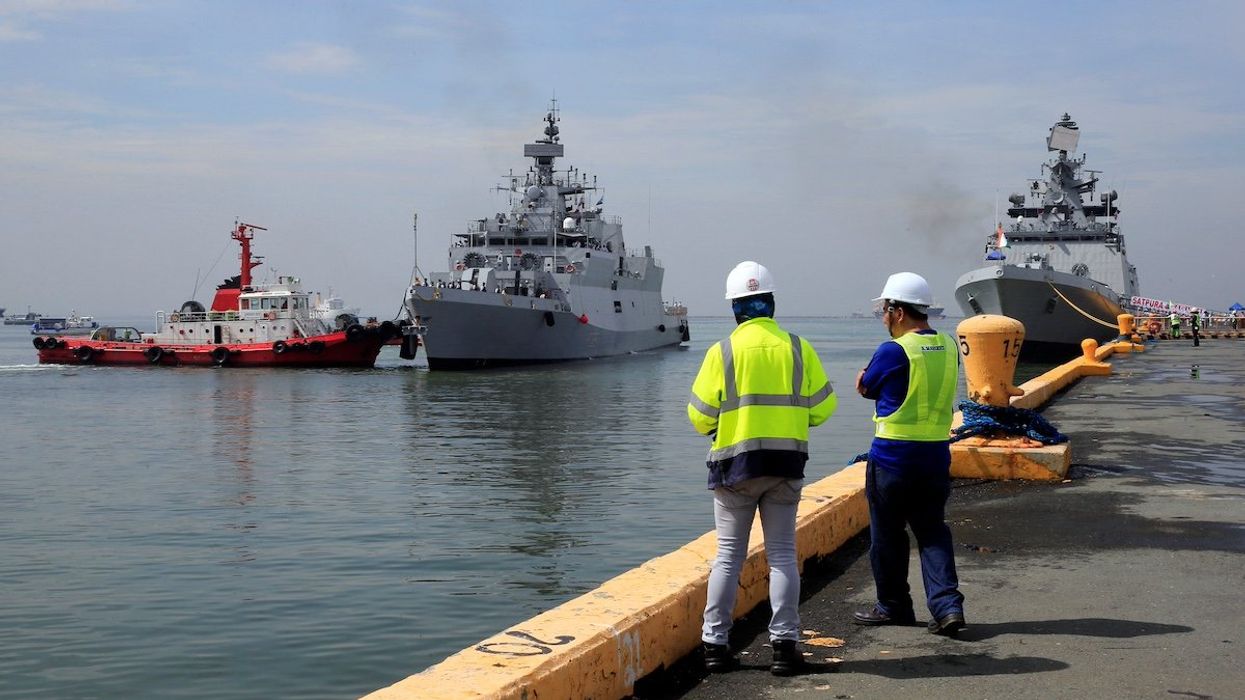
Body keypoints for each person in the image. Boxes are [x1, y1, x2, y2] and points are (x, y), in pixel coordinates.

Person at [687, 261, 837, 676]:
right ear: (771, 303)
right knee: (783, 557)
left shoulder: (722, 352)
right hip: (785, 464)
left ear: (735, 308)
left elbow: (699, 416)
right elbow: (824, 408)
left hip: (734, 468)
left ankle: (715, 646)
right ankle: (784, 648)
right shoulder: (798, 348)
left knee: (728, 558)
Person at [853, 272, 966, 636]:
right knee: (932, 531)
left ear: (898, 312)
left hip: (892, 459)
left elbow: (867, 386)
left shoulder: (894, 350)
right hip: (935, 456)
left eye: (885, 310)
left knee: (887, 535)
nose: (884, 318)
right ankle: (947, 607)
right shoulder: (949, 345)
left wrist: (862, 380)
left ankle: (894, 605)